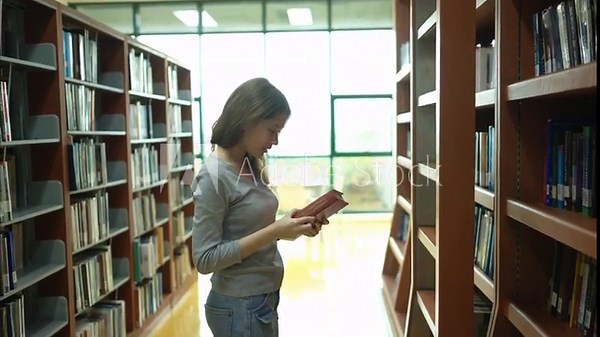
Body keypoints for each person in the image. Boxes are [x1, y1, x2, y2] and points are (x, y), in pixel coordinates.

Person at [191, 77, 328, 337]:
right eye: (272, 130)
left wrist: (295, 226)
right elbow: (205, 259)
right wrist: (275, 230)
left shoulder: (250, 163)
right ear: (247, 121)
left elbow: (251, 229)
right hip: (239, 304)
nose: (275, 141)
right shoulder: (213, 176)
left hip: (260, 300)